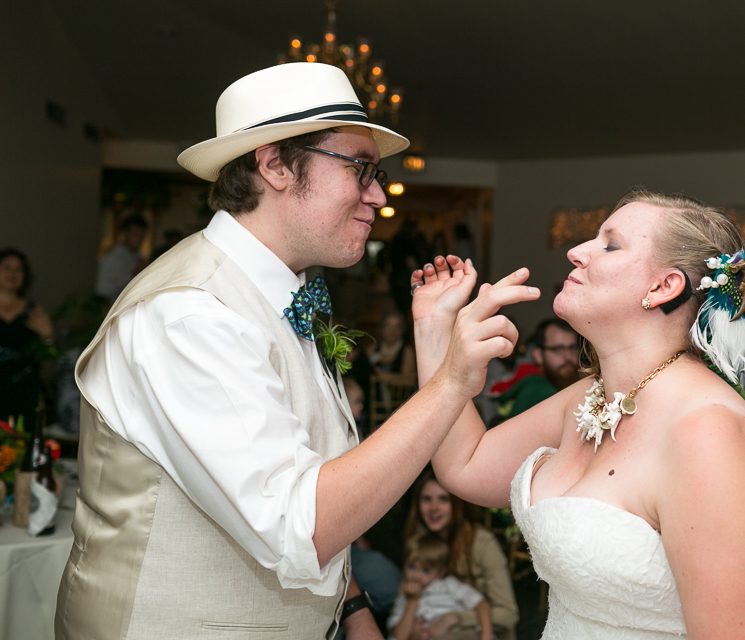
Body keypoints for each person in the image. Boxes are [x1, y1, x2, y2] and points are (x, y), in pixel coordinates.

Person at [56, 62, 532, 640]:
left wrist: (351, 608)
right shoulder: (189, 315)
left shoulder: (285, 290)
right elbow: (297, 526)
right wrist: (452, 381)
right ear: (275, 164)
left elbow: (308, 471)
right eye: (361, 169)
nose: (379, 196)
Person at [410, 189, 745, 638]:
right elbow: (465, 464)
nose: (576, 252)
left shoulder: (710, 433)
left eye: (609, 244)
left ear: (663, 287)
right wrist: (433, 328)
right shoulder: (589, 396)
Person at [405, 469, 519, 640]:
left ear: (456, 504)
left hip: (484, 631)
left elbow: (509, 615)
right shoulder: (420, 543)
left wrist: (454, 618)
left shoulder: (481, 543)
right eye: (427, 499)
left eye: (443, 499)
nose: (433, 508)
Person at [388, 534, 493, 640]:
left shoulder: (449, 585)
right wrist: (412, 601)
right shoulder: (404, 594)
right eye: (411, 567)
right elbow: (399, 636)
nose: (416, 576)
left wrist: (485, 637)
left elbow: (482, 604)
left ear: (440, 573)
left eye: (425, 570)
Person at [489, 318, 582, 421]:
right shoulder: (534, 390)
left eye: (573, 348)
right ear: (538, 355)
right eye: (558, 349)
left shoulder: (579, 384)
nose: (568, 356)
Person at [0, 248, 55, 420]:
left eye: (18, 269)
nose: (12, 273)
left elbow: (49, 355)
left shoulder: (33, 310)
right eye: (6, 267)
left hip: (23, 388)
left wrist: (48, 336)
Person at [94, 214, 148, 302]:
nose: (139, 239)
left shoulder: (137, 257)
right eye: (135, 234)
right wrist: (135, 273)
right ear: (124, 233)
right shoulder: (112, 258)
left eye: (142, 235)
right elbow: (101, 292)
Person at [367, 310, 416, 377]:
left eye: (397, 326)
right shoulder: (372, 349)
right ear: (382, 329)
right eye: (388, 326)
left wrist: (383, 376)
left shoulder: (407, 352)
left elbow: (408, 380)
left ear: (402, 330)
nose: (392, 330)